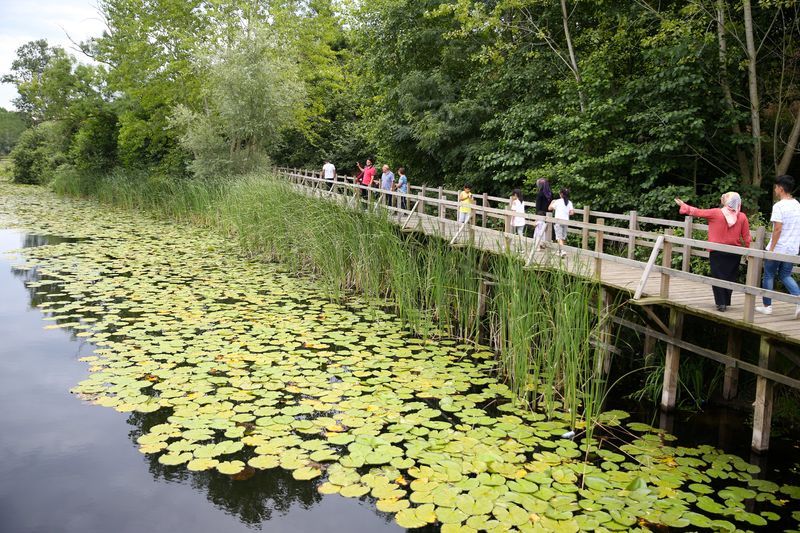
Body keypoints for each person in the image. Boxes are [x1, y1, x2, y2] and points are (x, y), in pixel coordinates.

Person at [674, 193, 751, 312]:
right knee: (729, 277)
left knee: (718, 276)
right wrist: (749, 251)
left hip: (717, 251)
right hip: (734, 252)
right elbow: (746, 237)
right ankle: (725, 301)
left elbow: (698, 212)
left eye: (725, 197)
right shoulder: (742, 216)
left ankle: (721, 304)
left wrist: (684, 205)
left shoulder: (716, 213)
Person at [756, 175, 800, 318]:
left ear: (781, 188)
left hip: (779, 247)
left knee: (769, 275)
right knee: (785, 275)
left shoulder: (779, 206)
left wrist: (772, 249)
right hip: (792, 248)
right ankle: (799, 302)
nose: (775, 190)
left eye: (776, 187)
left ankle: (767, 306)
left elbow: (778, 229)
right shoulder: (797, 205)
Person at [549, 188, 574, 256]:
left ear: (561, 194)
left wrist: (552, 202)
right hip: (566, 221)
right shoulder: (569, 202)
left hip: (558, 221)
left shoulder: (557, 201)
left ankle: (562, 251)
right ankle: (560, 250)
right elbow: (572, 212)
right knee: (563, 236)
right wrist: (566, 212)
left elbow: (549, 208)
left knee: (558, 237)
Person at [533, 178, 553, 246]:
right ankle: (545, 243)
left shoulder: (540, 194)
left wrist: (536, 217)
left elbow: (538, 206)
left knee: (539, 230)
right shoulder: (550, 194)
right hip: (548, 214)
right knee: (547, 229)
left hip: (541, 214)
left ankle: (539, 244)